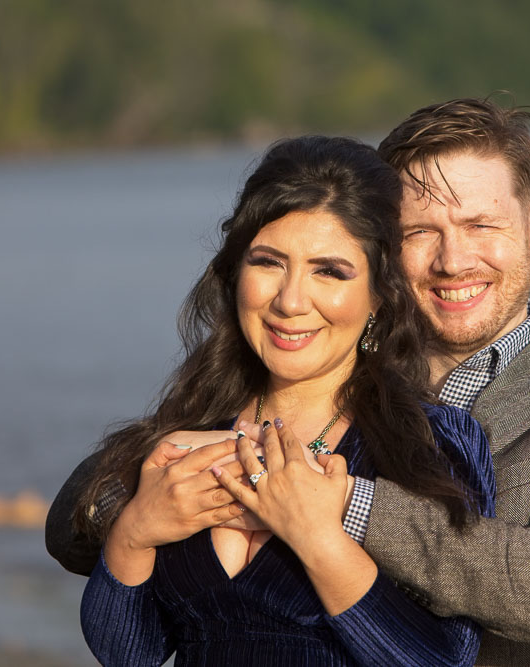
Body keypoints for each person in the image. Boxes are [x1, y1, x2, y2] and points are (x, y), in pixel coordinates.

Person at [49, 98, 530, 666]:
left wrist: (342, 505)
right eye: (419, 232)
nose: (452, 259)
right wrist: (156, 504)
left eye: (480, 226)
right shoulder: (321, 368)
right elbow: (72, 522)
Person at [76, 135, 496, 666]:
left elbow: (444, 660)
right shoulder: (192, 428)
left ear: (379, 294)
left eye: (329, 271)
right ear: (235, 273)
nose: (290, 300)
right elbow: (126, 653)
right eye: (269, 262)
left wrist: (317, 539)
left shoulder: (429, 444)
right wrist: (135, 532)